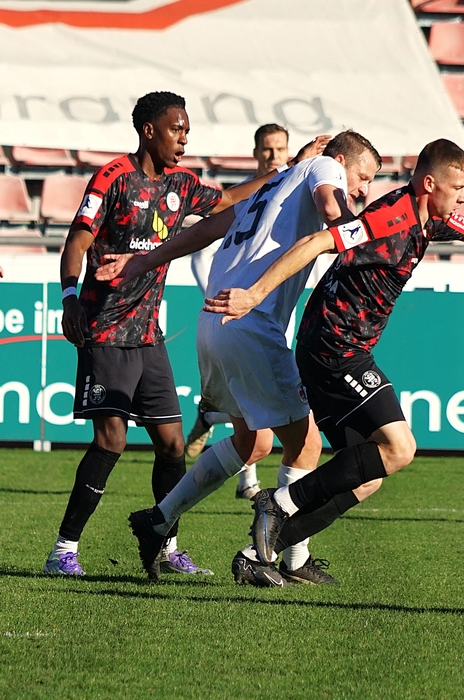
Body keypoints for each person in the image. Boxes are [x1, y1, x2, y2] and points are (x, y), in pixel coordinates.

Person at [204, 139, 464, 581]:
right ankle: (278, 503)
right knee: (400, 448)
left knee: (367, 477)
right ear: (430, 183)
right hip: (333, 347)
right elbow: (318, 241)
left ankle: (259, 556)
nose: (463, 197)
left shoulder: (432, 218)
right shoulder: (389, 219)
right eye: (458, 187)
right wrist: (254, 295)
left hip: (344, 346)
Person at [97, 130, 379, 584]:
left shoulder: (274, 183)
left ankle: (158, 520)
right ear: (342, 161)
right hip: (250, 322)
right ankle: (292, 560)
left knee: (254, 443)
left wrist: (142, 261)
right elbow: (332, 208)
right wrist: (369, 236)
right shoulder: (326, 167)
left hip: (214, 323)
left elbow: (207, 228)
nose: (363, 190)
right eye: (363, 177)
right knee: (306, 444)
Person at [44, 91, 291, 577]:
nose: (184, 139)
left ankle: (167, 545)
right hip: (104, 329)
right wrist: (69, 297)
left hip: (148, 335)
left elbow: (229, 199)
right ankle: (63, 550)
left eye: (187, 131)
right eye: (177, 129)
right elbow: (77, 240)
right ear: (148, 130)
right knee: (111, 440)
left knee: (173, 444)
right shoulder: (112, 178)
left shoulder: (181, 183)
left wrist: (287, 173)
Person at [185, 124, 315, 504]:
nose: (273, 156)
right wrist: (217, 295)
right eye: (267, 149)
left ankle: (208, 422)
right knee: (289, 437)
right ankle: (267, 506)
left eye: (280, 149)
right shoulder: (252, 191)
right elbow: (202, 252)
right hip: (243, 313)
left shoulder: (288, 191)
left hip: (273, 314)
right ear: (256, 152)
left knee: (254, 426)